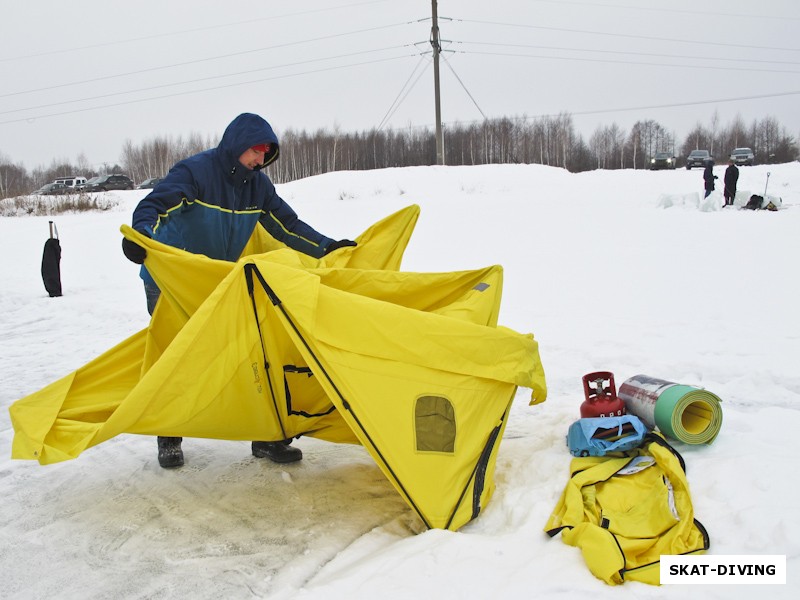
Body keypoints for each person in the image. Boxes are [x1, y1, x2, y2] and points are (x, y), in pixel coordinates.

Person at [122, 112, 356, 469]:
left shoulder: (257, 187)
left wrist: (327, 248)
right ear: (238, 144)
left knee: (252, 355)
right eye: (257, 151)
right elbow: (154, 206)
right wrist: (142, 238)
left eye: (267, 153)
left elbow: (287, 226)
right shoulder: (195, 172)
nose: (261, 160)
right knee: (175, 355)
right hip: (173, 281)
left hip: (218, 282)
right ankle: (168, 433)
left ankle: (265, 434)